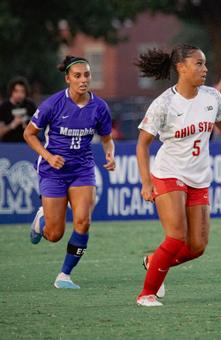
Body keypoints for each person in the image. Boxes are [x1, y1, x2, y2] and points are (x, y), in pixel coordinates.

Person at [134, 44, 221, 307]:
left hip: (199, 177)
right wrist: (146, 182)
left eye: (205, 64)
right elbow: (142, 144)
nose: (205, 69)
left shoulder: (212, 97)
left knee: (197, 247)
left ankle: (154, 261)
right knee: (175, 237)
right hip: (168, 173)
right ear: (181, 68)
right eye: (198, 64)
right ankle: (146, 294)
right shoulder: (164, 104)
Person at [23, 55, 116, 289]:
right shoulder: (52, 104)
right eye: (77, 76)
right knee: (54, 234)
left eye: (87, 75)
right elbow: (29, 134)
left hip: (82, 170)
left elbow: (107, 139)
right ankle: (42, 219)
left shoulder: (100, 107)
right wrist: (48, 156)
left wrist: (109, 153)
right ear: (68, 79)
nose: (83, 80)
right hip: (53, 171)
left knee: (83, 222)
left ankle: (64, 275)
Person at [0, 76, 37, 142]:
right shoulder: (4, 107)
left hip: (27, 145)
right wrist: (11, 125)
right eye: (16, 91)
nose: (19, 94)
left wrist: (28, 127)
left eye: (22, 92)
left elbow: (39, 129)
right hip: (7, 146)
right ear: (11, 91)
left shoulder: (30, 105)